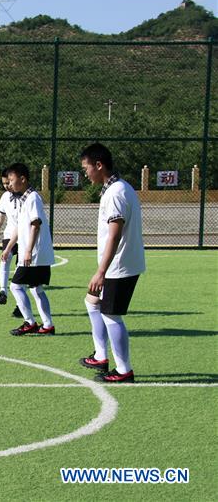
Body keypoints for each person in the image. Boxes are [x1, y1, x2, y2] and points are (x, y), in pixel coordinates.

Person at [78, 143, 145, 383]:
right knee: (92, 301)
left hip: (120, 266)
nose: (85, 173)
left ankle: (124, 370)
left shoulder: (116, 192)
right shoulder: (117, 188)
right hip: (118, 264)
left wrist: (101, 271)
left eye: (87, 168)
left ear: (99, 165)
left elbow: (115, 234)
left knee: (112, 316)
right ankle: (100, 355)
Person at [1, 162, 56, 336]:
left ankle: (29, 322)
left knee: (15, 287)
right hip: (36, 254)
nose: (9, 184)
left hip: (34, 254)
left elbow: (35, 225)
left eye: (11, 179)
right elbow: (19, 227)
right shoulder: (24, 199)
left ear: (22, 179)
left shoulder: (32, 198)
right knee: (36, 288)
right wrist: (9, 247)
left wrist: (28, 251)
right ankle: (47, 325)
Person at [0, 169, 22, 317]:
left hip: (24, 236)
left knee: (21, 270)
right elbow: (1, 218)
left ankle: (20, 305)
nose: (7, 186)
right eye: (4, 183)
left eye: (9, 182)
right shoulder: (5, 197)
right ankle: (3, 291)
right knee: (4, 259)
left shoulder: (27, 197)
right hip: (9, 235)